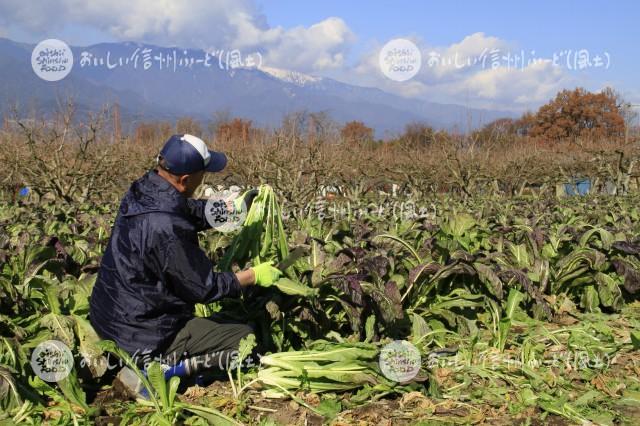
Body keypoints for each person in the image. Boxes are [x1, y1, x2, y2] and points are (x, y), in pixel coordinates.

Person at [89, 134, 281, 387]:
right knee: (245, 339)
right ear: (185, 179)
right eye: (203, 174)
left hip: (110, 317)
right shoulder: (166, 227)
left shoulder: (144, 189)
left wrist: (232, 211)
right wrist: (253, 275)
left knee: (221, 323)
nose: (205, 179)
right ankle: (157, 372)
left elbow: (185, 210)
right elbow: (202, 288)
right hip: (143, 334)